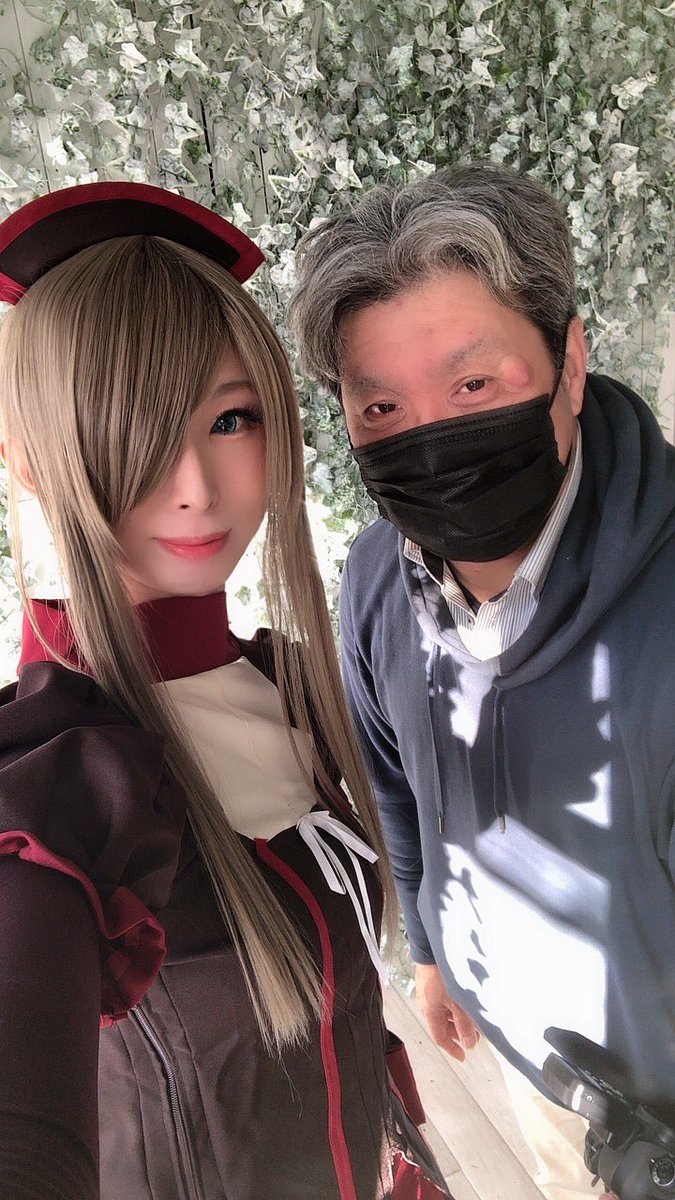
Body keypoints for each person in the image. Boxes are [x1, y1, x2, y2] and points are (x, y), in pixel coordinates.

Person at [0, 182, 451, 1200]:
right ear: (28, 459)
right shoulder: (49, 788)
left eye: (230, 418)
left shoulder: (286, 684)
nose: (196, 487)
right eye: (130, 431)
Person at [290, 163, 675, 1200]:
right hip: (539, 1071)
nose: (431, 437)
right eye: (381, 405)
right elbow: (396, 781)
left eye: (473, 387)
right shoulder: (376, 576)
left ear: (570, 361)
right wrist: (431, 948)